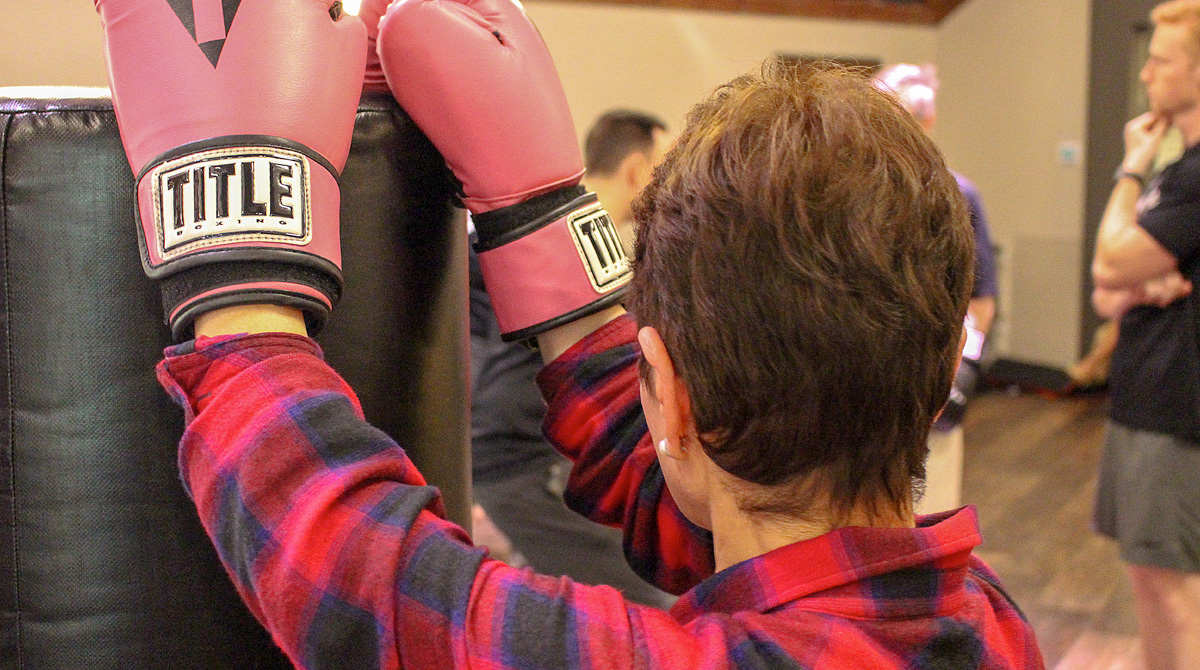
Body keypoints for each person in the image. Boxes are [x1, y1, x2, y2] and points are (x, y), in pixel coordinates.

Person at [97, 0, 1044, 667]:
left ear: (664, 388)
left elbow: (366, 575)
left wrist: (231, 242)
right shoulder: (980, 616)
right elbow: (706, 498)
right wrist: (543, 217)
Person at [467, 105, 675, 606]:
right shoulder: (572, 240)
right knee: (655, 607)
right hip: (519, 461)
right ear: (637, 170)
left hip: (533, 454)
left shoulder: (566, 238)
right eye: (664, 169)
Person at [1089, 2, 1200, 668]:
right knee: (1149, 580)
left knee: (1171, 590)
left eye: (1161, 60)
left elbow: (1107, 261)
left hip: (1176, 409)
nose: (1147, 73)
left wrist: (1130, 166)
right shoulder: (1176, 172)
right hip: (1144, 399)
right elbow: (1105, 290)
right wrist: (1136, 281)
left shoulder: (1185, 176)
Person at [873, 63, 999, 515]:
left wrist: (964, 368)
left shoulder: (959, 195)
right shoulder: (853, 194)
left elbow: (981, 295)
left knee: (930, 506)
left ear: (927, 123)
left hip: (932, 376)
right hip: (865, 381)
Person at [582, 109, 672, 255]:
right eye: (665, 173)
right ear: (636, 172)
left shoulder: (553, 231)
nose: (669, 188)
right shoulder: (594, 256)